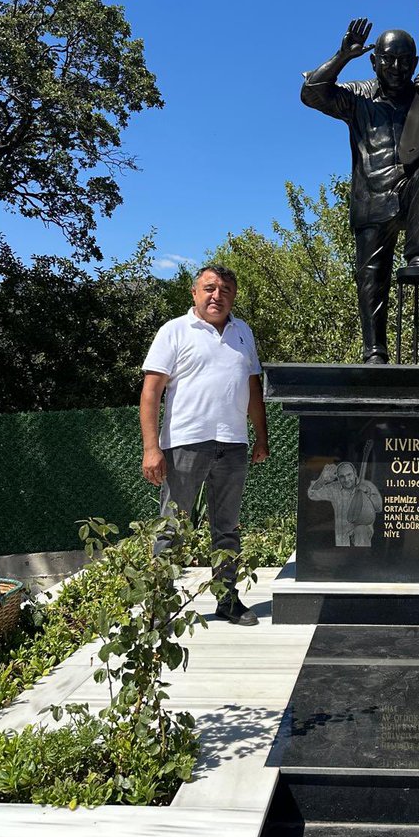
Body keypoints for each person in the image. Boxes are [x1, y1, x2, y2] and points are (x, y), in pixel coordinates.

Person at [301, 18, 419, 363]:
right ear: (374, 60)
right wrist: (342, 55)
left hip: (411, 194)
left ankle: (418, 254)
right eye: (390, 59)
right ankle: (374, 352)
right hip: (372, 200)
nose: (398, 67)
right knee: (372, 279)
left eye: (406, 60)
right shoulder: (358, 96)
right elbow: (312, 93)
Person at [139, 264, 270, 625]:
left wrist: (261, 435)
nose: (217, 295)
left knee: (226, 529)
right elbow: (151, 392)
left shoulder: (243, 332)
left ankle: (227, 600)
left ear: (234, 296)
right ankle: (158, 607)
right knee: (172, 529)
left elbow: (253, 388)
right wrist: (152, 448)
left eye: (225, 289)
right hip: (184, 444)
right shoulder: (174, 331)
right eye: (210, 288)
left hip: (233, 444)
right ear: (195, 293)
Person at [308, 460, 383, 546]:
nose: (346, 479)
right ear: (338, 478)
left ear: (354, 473)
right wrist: (322, 479)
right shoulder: (334, 488)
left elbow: (379, 507)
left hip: (362, 538)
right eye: (342, 477)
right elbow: (312, 494)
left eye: (349, 475)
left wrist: (367, 494)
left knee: (361, 529)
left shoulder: (367, 485)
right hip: (342, 539)